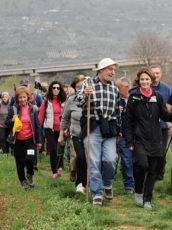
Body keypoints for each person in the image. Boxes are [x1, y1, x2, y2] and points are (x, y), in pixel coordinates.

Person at [124, 68, 172, 209]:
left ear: (151, 80)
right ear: (139, 80)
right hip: (139, 138)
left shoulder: (158, 96)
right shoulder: (133, 97)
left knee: (153, 169)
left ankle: (147, 199)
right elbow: (127, 120)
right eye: (142, 79)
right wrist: (129, 140)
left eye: (147, 79)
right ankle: (138, 192)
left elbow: (164, 115)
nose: (145, 81)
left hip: (155, 138)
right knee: (142, 165)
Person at [76, 58, 120, 206]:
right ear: (100, 70)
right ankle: (97, 194)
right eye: (110, 69)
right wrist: (85, 95)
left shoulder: (115, 87)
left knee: (110, 160)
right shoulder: (88, 84)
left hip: (109, 129)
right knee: (94, 162)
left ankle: (107, 184)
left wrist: (118, 128)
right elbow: (78, 101)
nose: (112, 72)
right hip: (93, 127)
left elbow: (117, 110)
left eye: (114, 70)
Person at [5, 86, 42, 190]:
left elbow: (37, 126)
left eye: (24, 97)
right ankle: (23, 181)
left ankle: (30, 174)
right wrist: (12, 120)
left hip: (30, 140)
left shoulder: (33, 109)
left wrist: (39, 141)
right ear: (17, 98)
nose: (22, 99)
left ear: (28, 97)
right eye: (20, 97)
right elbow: (6, 123)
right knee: (19, 162)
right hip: (18, 141)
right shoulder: (13, 109)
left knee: (30, 159)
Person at [58, 75, 87, 194]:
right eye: (78, 86)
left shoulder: (92, 98)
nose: (81, 88)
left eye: (83, 86)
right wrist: (61, 134)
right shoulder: (71, 100)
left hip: (91, 134)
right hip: (76, 134)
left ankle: (90, 182)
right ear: (74, 88)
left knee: (90, 159)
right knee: (80, 157)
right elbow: (64, 118)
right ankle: (80, 183)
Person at [39, 81, 67, 179]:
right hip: (49, 129)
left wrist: (67, 128)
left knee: (60, 150)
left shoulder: (64, 101)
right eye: (54, 88)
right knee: (53, 150)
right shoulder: (46, 101)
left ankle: (59, 167)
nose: (56, 89)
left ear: (60, 90)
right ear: (51, 89)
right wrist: (38, 130)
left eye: (58, 88)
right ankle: (54, 171)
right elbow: (41, 116)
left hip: (61, 130)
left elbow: (67, 115)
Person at [150, 65, 172, 180]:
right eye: (153, 73)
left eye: (157, 73)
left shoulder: (167, 89)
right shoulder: (144, 87)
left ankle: (160, 174)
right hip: (148, 127)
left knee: (161, 151)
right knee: (150, 150)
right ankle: (150, 173)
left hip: (163, 126)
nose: (155, 75)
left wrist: (171, 124)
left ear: (161, 74)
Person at [115, 77, 134, 193]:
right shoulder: (115, 100)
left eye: (119, 88)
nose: (116, 90)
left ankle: (131, 184)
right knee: (122, 160)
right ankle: (128, 185)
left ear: (127, 87)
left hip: (132, 135)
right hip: (119, 135)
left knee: (129, 160)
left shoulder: (134, 99)